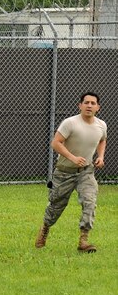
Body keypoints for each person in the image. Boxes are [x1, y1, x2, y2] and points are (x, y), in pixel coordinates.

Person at [36, 92, 107, 252]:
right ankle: (45, 228)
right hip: (64, 172)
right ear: (80, 105)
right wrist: (72, 158)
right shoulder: (70, 123)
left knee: (89, 202)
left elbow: (102, 140)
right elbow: (56, 143)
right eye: (86, 102)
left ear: (98, 107)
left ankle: (83, 241)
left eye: (93, 103)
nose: (89, 105)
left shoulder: (101, 125)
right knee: (56, 206)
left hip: (86, 172)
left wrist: (101, 156)